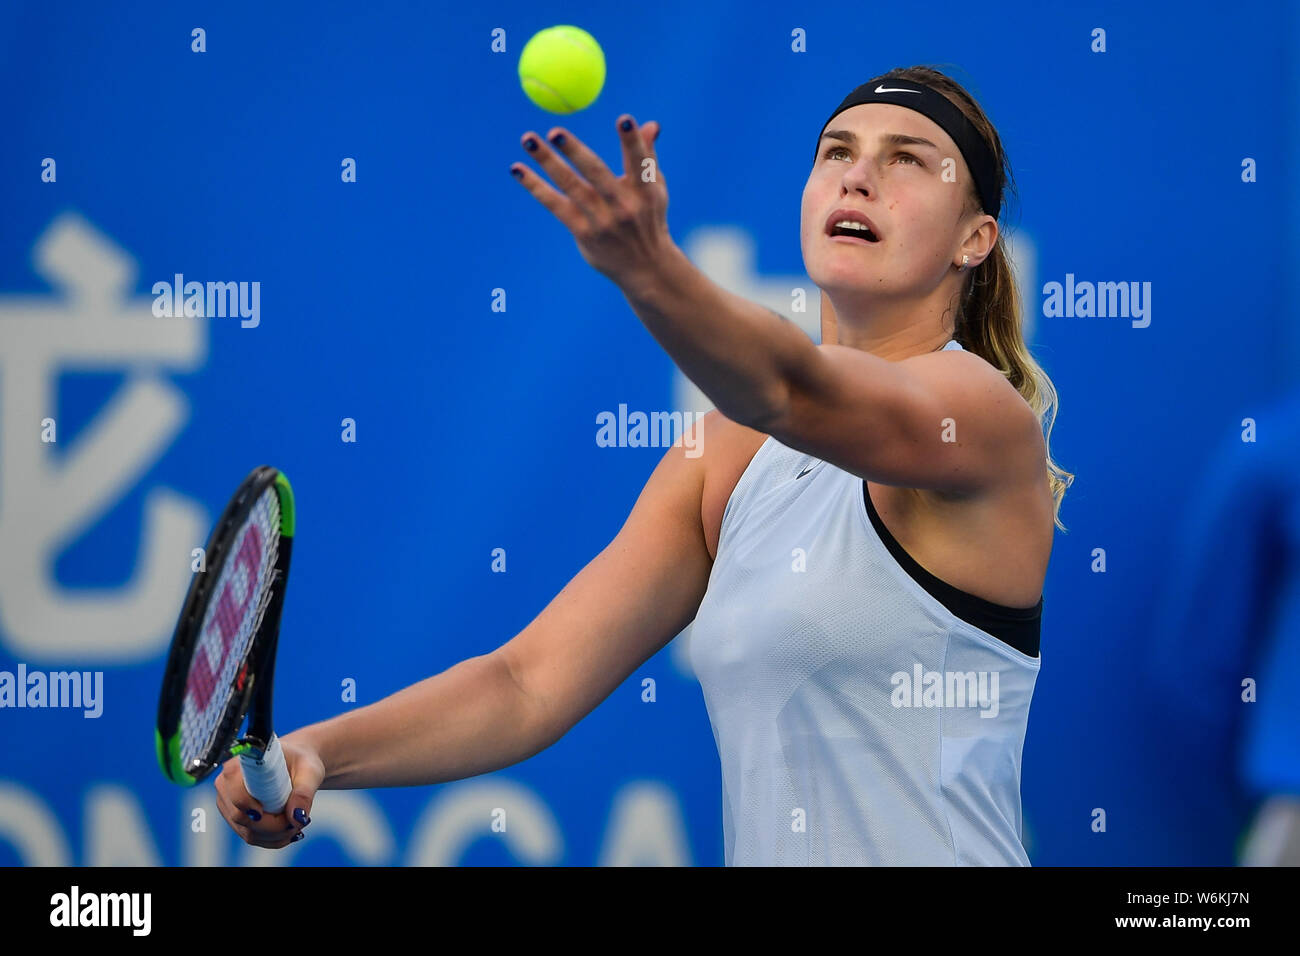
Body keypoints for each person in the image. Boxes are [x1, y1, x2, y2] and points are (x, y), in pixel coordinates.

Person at [217, 64, 1073, 865]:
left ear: (975, 239)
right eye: (836, 153)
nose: (857, 177)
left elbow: (791, 387)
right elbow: (526, 683)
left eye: (907, 160)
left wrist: (653, 271)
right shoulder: (729, 457)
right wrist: (319, 752)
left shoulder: (979, 415)